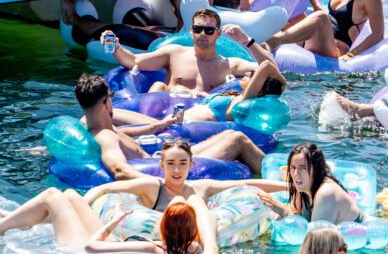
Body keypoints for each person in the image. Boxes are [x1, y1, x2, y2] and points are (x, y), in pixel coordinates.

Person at [75, 73, 265, 178]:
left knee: (228, 135)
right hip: (166, 170)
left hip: (163, 160)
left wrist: (155, 126)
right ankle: (280, 178)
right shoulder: (105, 137)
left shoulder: (103, 128)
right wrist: (160, 187)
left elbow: (123, 132)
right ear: (106, 103)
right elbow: (119, 170)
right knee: (237, 139)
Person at [0, 186, 219, 254]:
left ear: (164, 224)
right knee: (71, 195)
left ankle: (2, 227)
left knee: (53, 195)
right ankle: (22, 221)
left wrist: (114, 222)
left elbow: (91, 246)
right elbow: (199, 207)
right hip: (110, 247)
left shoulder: (151, 248)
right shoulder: (194, 248)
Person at [106, 8, 276, 95]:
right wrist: (115, 47)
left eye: (208, 30)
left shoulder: (229, 65)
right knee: (158, 86)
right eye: (198, 29)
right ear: (191, 31)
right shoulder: (174, 53)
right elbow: (134, 61)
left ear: (218, 34)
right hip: (165, 116)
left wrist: (247, 40)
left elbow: (271, 71)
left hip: (203, 121)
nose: (202, 34)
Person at [84, 138, 285, 208]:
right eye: (171, 163)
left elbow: (246, 185)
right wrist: (85, 204)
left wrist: (288, 186)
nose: (177, 169)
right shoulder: (153, 187)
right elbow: (105, 188)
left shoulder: (200, 188)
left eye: (183, 163)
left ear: (191, 165)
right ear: (162, 166)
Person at [258, 143, 363, 225]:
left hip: (359, 239)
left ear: (316, 169)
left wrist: (285, 212)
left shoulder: (326, 194)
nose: (295, 174)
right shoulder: (303, 188)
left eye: (303, 168)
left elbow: (314, 243)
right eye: (293, 167)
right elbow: (296, 215)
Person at [185, 58, 286, 123]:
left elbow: (266, 65)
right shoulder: (235, 96)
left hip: (189, 125)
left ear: (259, 87)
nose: (247, 73)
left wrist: (283, 82)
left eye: (252, 74)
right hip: (180, 120)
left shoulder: (246, 99)